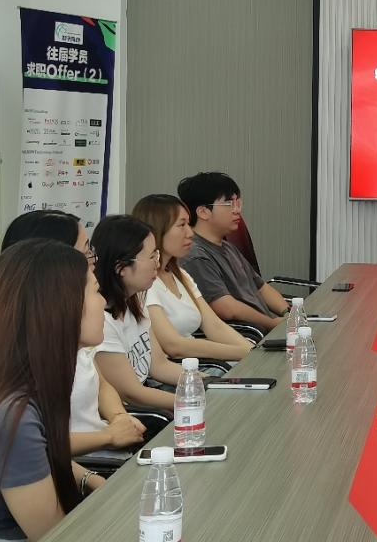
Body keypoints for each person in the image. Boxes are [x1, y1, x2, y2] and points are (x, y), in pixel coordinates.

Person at [0, 211, 146, 458]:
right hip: (90, 459)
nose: (93, 261)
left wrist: (119, 418)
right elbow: (35, 445)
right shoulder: (24, 354)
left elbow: (102, 384)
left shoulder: (73, 334)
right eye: (85, 252)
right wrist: (109, 436)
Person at [0, 239, 109, 540]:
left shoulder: (29, 381)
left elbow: (45, 453)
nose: (104, 303)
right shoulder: (14, 415)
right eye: (96, 292)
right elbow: (54, 535)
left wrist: (91, 480)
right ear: (62, 306)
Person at [132, 194, 252, 364]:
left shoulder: (180, 274)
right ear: (156, 230)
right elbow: (174, 346)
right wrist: (244, 353)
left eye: (188, 224)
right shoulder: (145, 283)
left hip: (202, 364)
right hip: (183, 369)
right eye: (182, 225)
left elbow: (214, 326)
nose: (190, 233)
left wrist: (251, 351)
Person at [92, 215, 184, 413]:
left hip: (151, 401)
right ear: (121, 268)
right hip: (136, 414)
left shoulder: (135, 299)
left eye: (156, 254)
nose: (157, 264)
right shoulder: (101, 323)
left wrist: (205, 382)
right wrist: (193, 401)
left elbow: (159, 365)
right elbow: (133, 394)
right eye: (151, 257)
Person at [177, 172, 287, 332]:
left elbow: (262, 287)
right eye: (229, 203)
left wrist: (289, 313)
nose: (237, 210)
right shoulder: (195, 256)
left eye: (238, 202)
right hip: (250, 336)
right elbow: (226, 308)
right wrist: (271, 323)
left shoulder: (228, 247)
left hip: (268, 329)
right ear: (203, 212)